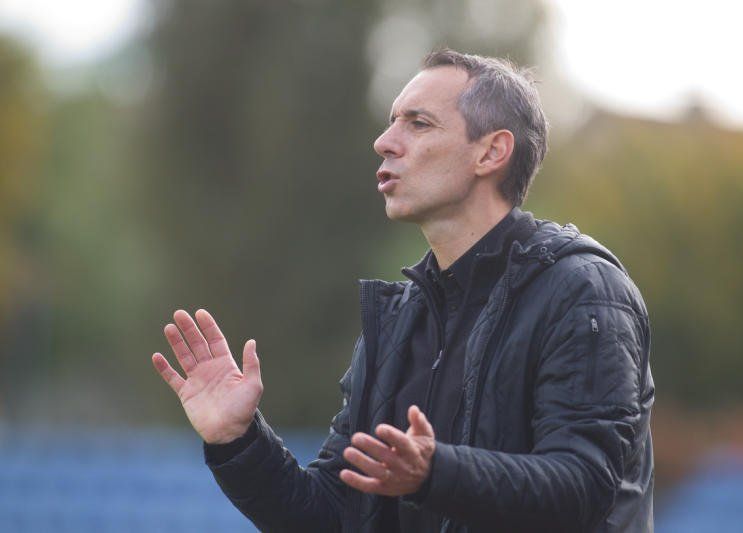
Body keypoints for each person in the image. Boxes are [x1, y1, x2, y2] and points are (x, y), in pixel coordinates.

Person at [152, 49, 654, 532]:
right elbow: (335, 515)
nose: (384, 142)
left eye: (418, 123)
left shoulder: (583, 291)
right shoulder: (398, 323)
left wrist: (435, 473)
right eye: (392, 121)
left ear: (491, 152)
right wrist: (239, 441)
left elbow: (585, 488)